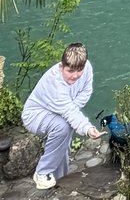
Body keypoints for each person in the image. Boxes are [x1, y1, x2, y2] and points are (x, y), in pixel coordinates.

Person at [21, 43, 102, 191]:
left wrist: (73, 112)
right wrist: (87, 128)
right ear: (61, 67)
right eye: (70, 70)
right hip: (36, 115)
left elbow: (85, 92)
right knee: (63, 126)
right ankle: (42, 173)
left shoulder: (87, 68)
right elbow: (69, 111)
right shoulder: (55, 83)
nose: (75, 75)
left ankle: (59, 179)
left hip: (60, 112)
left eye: (79, 70)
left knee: (64, 134)